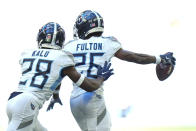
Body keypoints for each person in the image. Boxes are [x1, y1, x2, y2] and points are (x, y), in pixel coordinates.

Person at [48, 10, 176, 131]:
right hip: (92, 96)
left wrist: (55, 95)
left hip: (75, 100)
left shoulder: (69, 46)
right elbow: (135, 57)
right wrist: (159, 59)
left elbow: (59, 74)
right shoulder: (107, 43)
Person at [6, 22, 114, 131]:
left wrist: (56, 95)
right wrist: (101, 78)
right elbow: (88, 86)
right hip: (27, 104)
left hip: (13, 100)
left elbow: (53, 76)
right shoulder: (62, 57)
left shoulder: (26, 53)